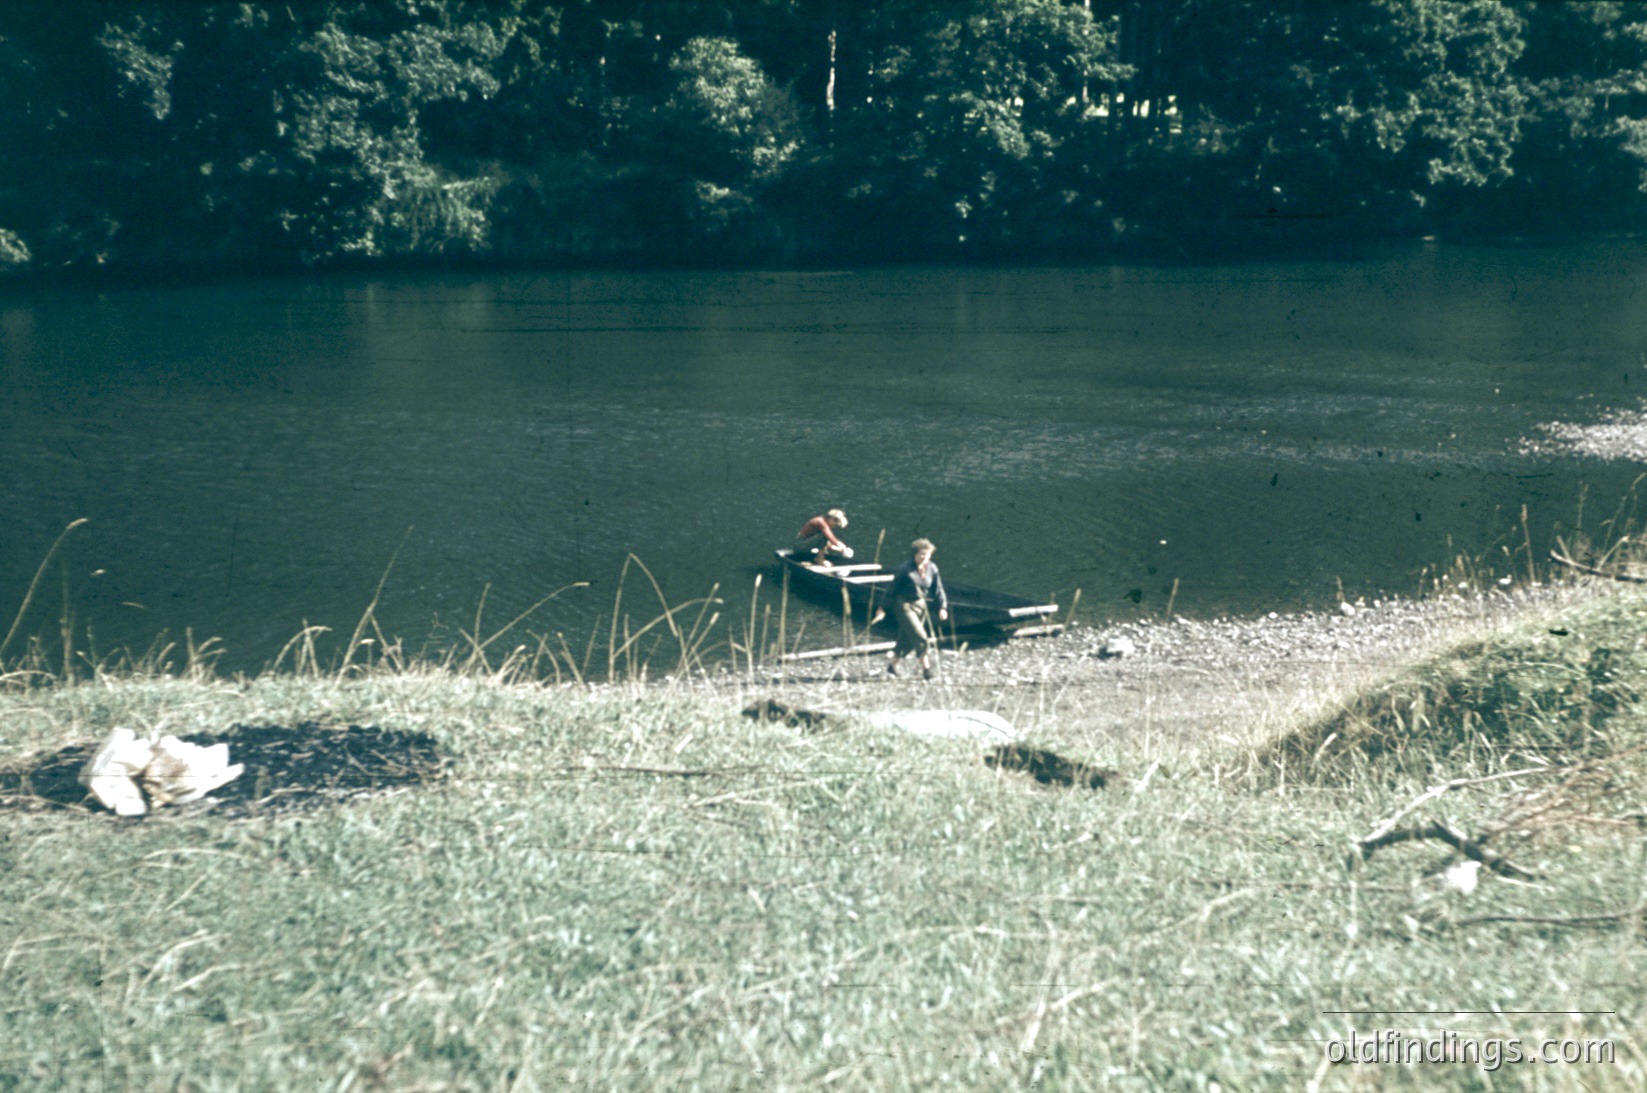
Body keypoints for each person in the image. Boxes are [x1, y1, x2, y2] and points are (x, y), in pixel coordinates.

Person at [881, 537, 947, 680]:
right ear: (915, 555)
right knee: (920, 637)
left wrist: (942, 607)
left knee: (906, 638)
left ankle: (892, 666)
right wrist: (883, 607)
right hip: (904, 605)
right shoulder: (905, 569)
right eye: (922, 554)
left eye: (928, 554)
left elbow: (938, 589)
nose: (925, 557)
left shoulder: (932, 568)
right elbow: (891, 590)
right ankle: (927, 670)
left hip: (920, 605)